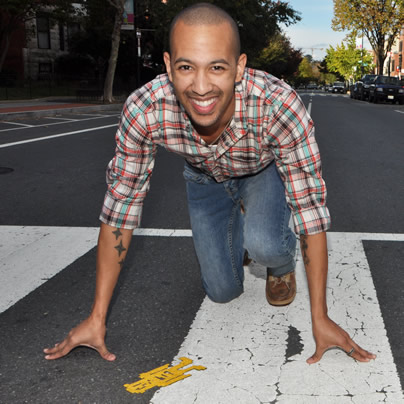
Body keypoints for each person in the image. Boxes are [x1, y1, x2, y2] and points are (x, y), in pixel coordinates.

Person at [44, 3, 375, 364]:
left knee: (266, 245)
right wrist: (96, 318)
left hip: (261, 172)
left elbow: (310, 211)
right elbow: (120, 211)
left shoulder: (278, 106)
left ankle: (277, 265)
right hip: (203, 179)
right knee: (221, 291)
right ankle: (243, 233)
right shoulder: (145, 109)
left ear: (239, 67)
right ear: (169, 66)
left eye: (217, 67)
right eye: (187, 67)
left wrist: (320, 317)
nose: (201, 88)